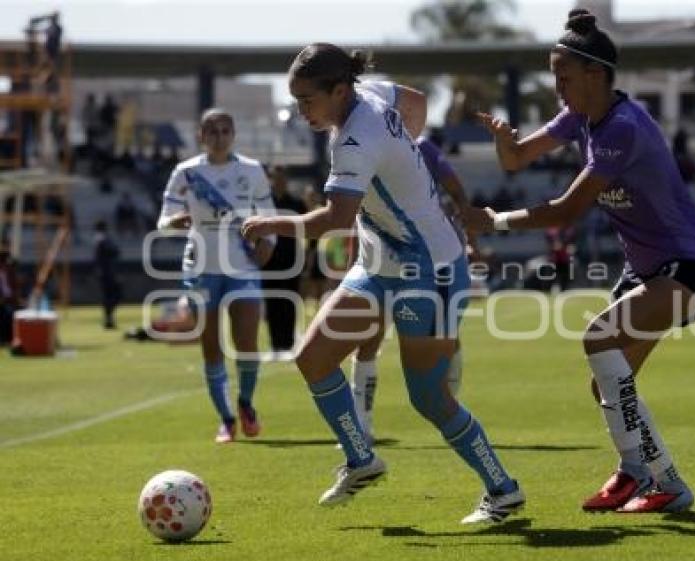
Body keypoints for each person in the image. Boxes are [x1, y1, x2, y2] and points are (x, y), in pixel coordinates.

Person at [241, 43, 523, 524]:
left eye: (307, 100)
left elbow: (336, 219)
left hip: (428, 269)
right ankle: (362, 458)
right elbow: (415, 101)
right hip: (379, 263)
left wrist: (272, 223)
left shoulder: (355, 139)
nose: (300, 111)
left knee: (429, 398)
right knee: (313, 357)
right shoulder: (368, 93)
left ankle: (503, 490)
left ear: (338, 90)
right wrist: (402, 156)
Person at [473, 9, 695, 513]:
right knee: (606, 381)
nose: (557, 87)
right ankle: (633, 473)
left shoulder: (621, 128)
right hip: (648, 270)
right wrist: (505, 142)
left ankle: (668, 483)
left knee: (598, 339)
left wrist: (494, 222)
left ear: (595, 74)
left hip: (685, 268)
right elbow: (517, 159)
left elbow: (567, 209)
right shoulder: (579, 118)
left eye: (563, 77)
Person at [157, 108, 276, 444]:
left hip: (242, 267)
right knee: (211, 348)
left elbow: (267, 215)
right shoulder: (187, 172)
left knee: (248, 344)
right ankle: (226, 420)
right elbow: (163, 218)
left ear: (234, 134)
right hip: (201, 268)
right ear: (200, 135)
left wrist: (268, 243)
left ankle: (246, 403)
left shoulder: (251, 170)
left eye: (225, 130)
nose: (219, 136)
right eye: (212, 130)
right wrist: (173, 222)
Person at [348, 135, 470, 444]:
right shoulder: (358, 146)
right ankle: (362, 425)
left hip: (429, 258)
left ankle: (447, 405)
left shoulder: (422, 146)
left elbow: (454, 186)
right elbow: (355, 211)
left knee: (442, 341)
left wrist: (467, 226)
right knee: (367, 339)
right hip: (378, 259)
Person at [262, 165, 306, 355]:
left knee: (289, 301)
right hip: (269, 260)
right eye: (275, 178)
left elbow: (309, 232)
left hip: (291, 260)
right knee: (272, 302)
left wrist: (309, 257)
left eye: (282, 178)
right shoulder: (264, 204)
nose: (279, 181)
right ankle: (275, 344)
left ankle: (288, 343)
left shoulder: (296, 203)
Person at [92, 220, 121, 329]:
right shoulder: (102, 239)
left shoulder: (100, 239)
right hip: (107, 272)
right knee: (113, 295)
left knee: (109, 296)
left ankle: (109, 319)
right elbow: (114, 252)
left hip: (105, 272)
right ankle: (109, 319)